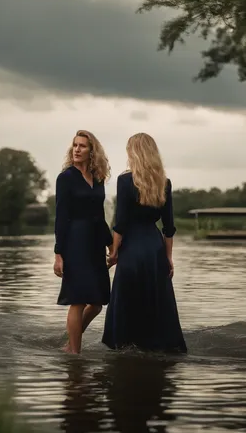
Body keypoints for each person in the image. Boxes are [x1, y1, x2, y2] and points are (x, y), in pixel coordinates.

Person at [102, 132, 187, 353]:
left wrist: (113, 252)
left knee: (127, 298)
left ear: (134, 153)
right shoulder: (164, 183)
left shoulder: (125, 180)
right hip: (155, 246)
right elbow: (168, 227)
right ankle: (158, 344)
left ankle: (124, 344)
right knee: (156, 299)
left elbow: (120, 223)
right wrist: (168, 257)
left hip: (132, 247)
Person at [53, 129, 113, 354]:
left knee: (97, 303)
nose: (77, 149)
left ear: (92, 151)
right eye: (75, 145)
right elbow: (61, 216)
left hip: (95, 244)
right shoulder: (66, 178)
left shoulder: (98, 179)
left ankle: (72, 340)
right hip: (75, 242)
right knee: (77, 300)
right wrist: (59, 253)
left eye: (82, 146)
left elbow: (100, 215)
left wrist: (110, 244)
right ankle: (74, 352)